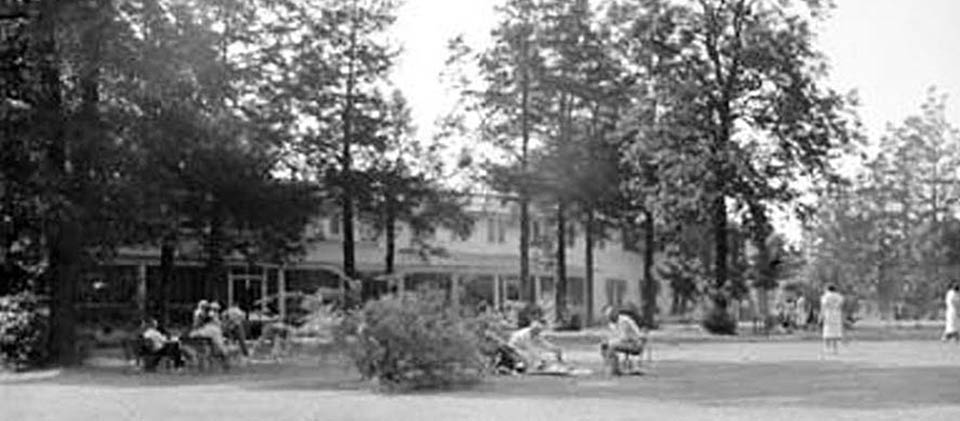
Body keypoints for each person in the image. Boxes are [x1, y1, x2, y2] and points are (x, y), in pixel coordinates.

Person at [600, 306, 647, 375]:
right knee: (604, 346)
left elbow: (624, 338)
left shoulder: (624, 321)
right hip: (626, 343)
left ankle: (615, 369)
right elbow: (613, 336)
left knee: (612, 345)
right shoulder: (612, 324)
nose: (609, 318)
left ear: (614, 314)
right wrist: (607, 341)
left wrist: (610, 341)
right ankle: (612, 367)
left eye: (610, 316)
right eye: (608, 317)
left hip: (635, 344)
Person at [819, 284, 844, 356]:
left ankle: (826, 349)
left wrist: (821, 316)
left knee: (827, 331)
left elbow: (823, 306)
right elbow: (840, 305)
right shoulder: (839, 296)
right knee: (835, 332)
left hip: (828, 314)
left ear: (827, 289)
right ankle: (835, 349)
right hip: (836, 315)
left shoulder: (825, 296)